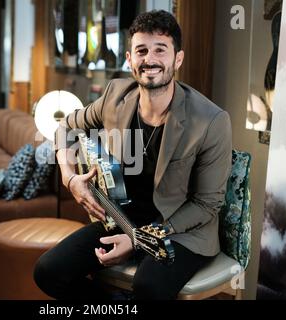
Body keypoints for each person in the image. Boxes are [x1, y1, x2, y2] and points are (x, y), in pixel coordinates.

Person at [34, 10, 232, 300]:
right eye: (141, 50)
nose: (149, 59)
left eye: (160, 50)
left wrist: (138, 241)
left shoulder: (212, 120)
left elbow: (206, 205)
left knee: (147, 287)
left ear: (178, 59)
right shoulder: (115, 94)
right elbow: (65, 127)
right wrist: (69, 177)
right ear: (130, 60)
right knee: (48, 272)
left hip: (180, 231)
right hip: (123, 218)